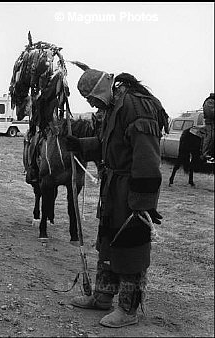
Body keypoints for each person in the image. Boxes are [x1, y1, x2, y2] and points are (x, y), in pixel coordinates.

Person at [65, 70, 168, 328]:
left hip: (130, 190)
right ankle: (103, 296)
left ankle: (128, 309)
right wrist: (79, 144)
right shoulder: (113, 106)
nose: (90, 104)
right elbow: (107, 144)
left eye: (89, 97)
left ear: (100, 89)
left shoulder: (136, 106)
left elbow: (147, 157)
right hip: (113, 189)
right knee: (108, 241)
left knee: (130, 245)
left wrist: (142, 202)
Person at [200, 93, 214, 163]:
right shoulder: (210, 101)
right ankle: (205, 153)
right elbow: (211, 112)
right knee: (210, 136)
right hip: (210, 122)